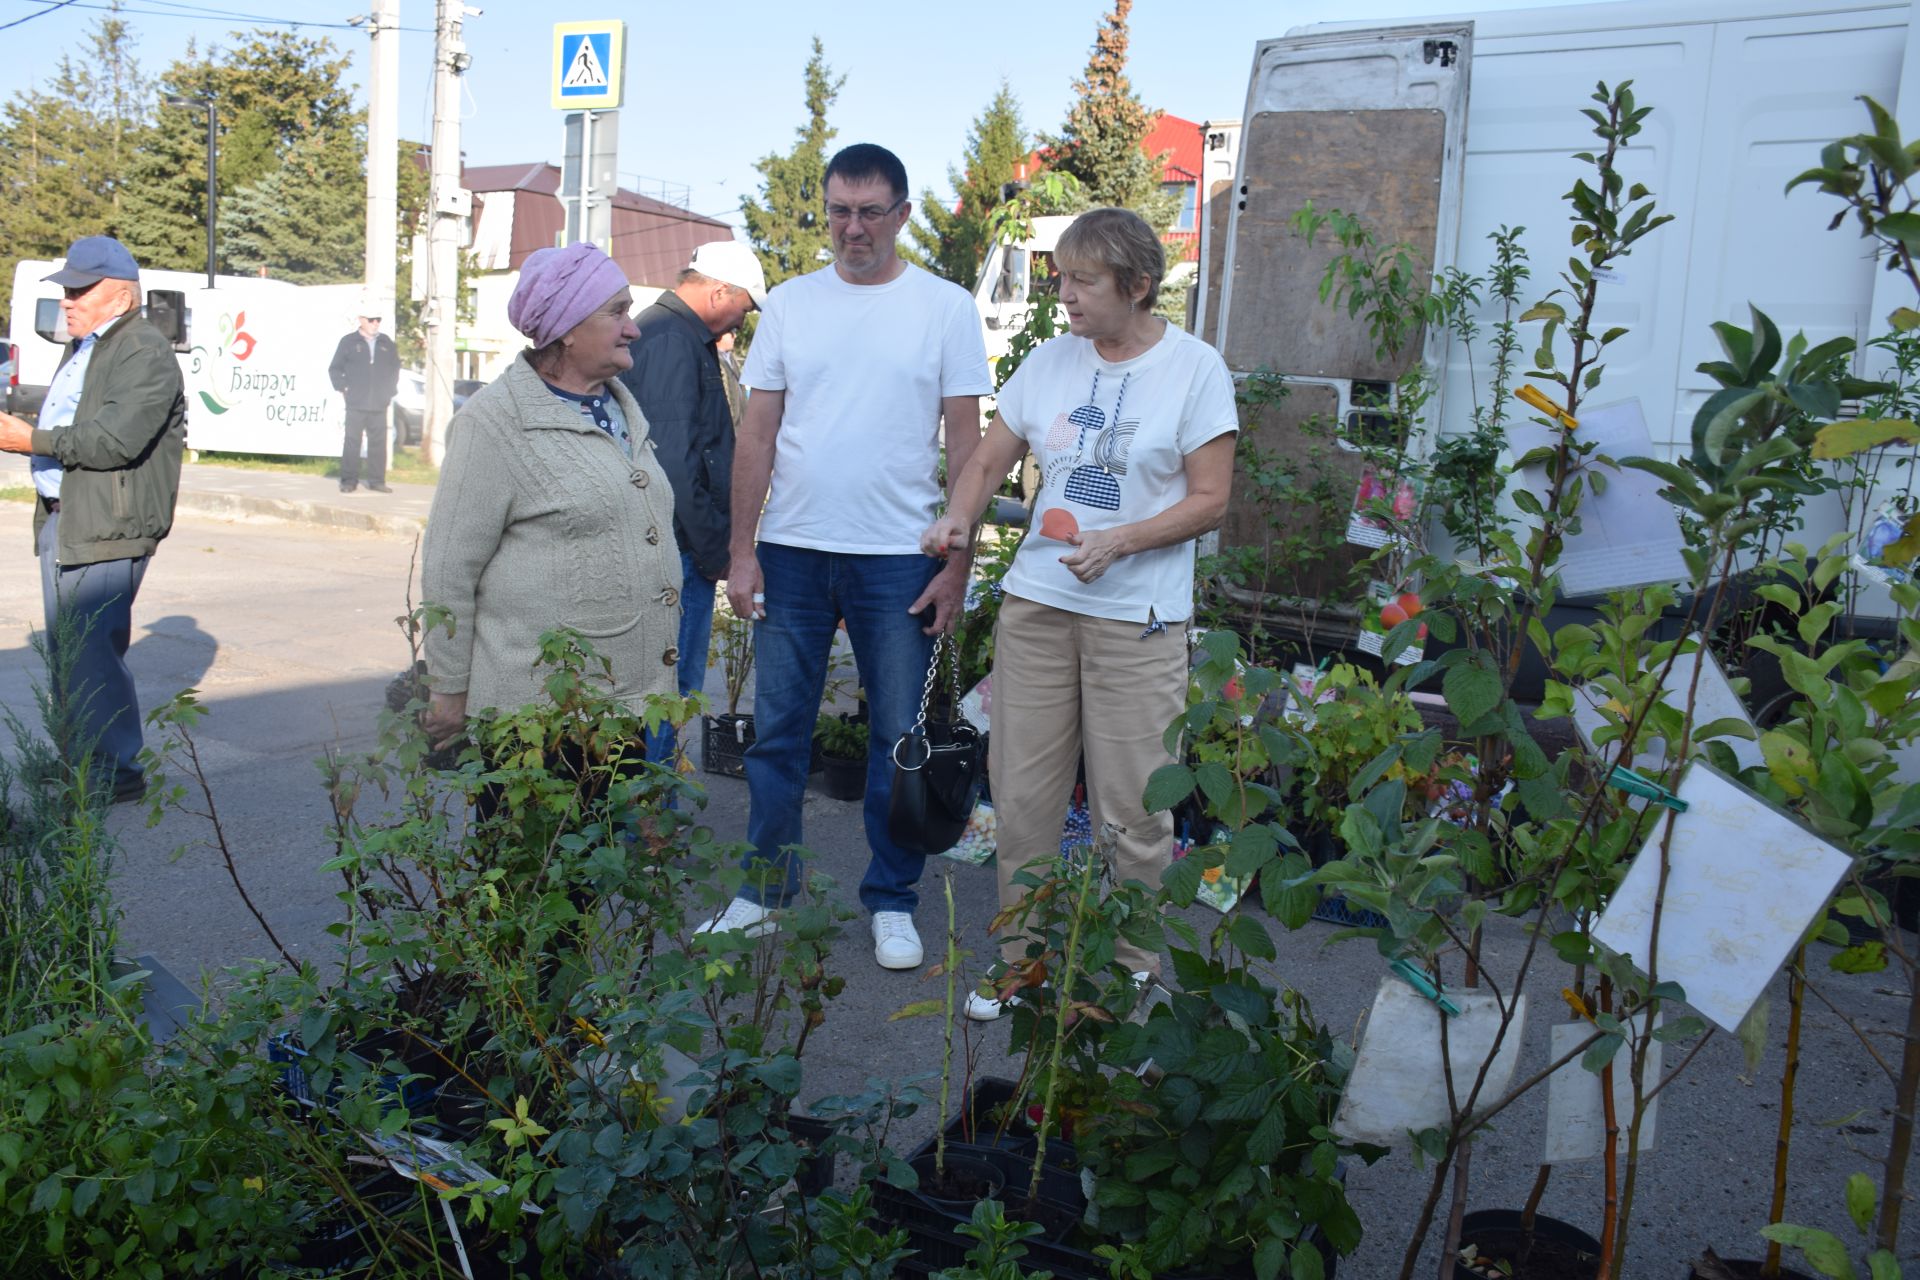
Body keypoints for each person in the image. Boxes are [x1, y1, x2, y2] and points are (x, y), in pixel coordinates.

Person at [916, 208, 1239, 1019]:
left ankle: (1132, 971)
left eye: (1081, 281)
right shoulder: (1051, 363)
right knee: (1021, 798)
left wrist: (1123, 541)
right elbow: (990, 457)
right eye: (1059, 277)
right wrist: (961, 515)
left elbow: (1212, 501)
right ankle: (1022, 967)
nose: (1064, 295)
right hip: (1039, 607)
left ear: (1136, 285)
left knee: (1133, 807)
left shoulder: (1196, 370)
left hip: (1140, 619)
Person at [699, 143, 992, 971]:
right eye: (839, 211)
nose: (853, 228)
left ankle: (892, 901)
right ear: (824, 213)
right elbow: (756, 433)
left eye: (870, 211)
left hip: (899, 558)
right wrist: (743, 553)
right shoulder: (791, 305)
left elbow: (968, 441)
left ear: (902, 214)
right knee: (777, 734)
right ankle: (765, 891)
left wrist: (957, 566)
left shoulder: (945, 307)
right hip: (791, 553)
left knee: (897, 738)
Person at [419, 242, 681, 757]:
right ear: (566, 329)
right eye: (617, 311)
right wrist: (448, 688)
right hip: (535, 715)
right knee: (535, 839)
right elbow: (450, 568)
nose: (633, 327)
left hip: (620, 701)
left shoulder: (620, 410)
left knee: (605, 836)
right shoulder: (494, 423)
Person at [0, 236, 187, 803]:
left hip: (109, 522)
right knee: (70, 651)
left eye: (82, 290)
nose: (69, 301)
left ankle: (114, 775)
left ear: (121, 296)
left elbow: (114, 439)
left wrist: (28, 437)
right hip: (72, 514)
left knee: (91, 650)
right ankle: (83, 762)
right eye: (67, 290)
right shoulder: (89, 344)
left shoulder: (143, 349)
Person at [617, 239, 767, 768]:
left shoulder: (674, 334)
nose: (741, 321)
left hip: (676, 545)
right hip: (674, 548)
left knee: (668, 686)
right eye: (744, 307)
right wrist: (716, 549)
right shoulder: (669, 340)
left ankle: (649, 814)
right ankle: (647, 825)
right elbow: (673, 462)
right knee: (667, 685)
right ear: (719, 291)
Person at [328, 306, 402, 494]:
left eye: (378, 319)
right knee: (352, 442)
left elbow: (395, 368)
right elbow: (335, 368)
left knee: (378, 442)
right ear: (361, 320)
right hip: (356, 402)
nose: (375, 323)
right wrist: (343, 387)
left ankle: (377, 481)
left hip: (379, 402)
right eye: (371, 320)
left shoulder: (386, 342)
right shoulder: (349, 342)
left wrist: (389, 391)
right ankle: (349, 481)